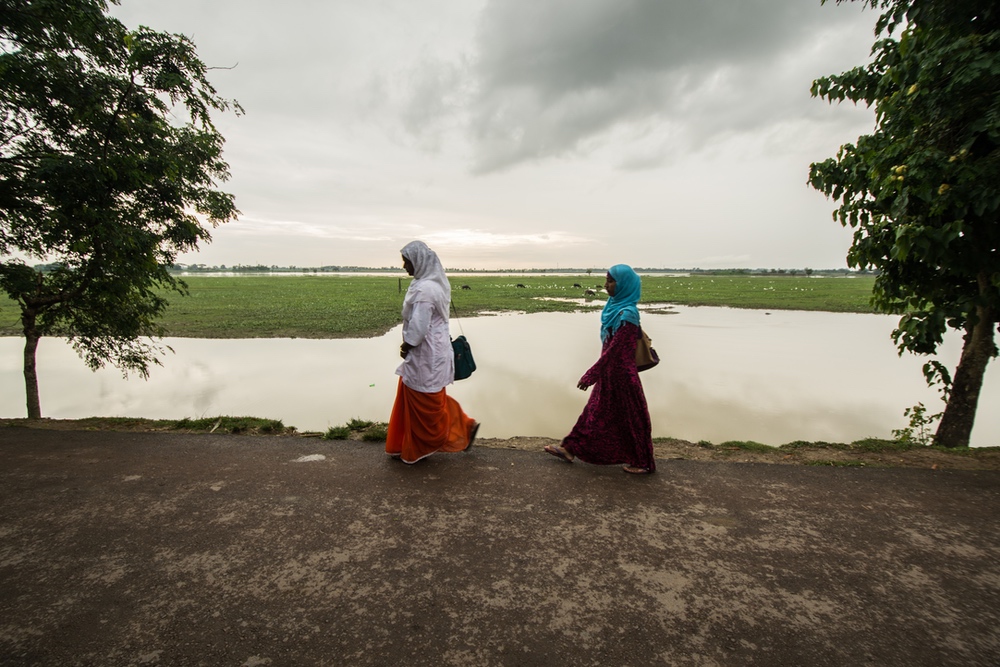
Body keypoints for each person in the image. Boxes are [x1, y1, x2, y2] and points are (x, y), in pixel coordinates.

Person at [544, 264, 655, 474]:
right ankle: (569, 448)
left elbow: (614, 352)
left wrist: (591, 375)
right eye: (606, 280)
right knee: (593, 414)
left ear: (624, 285)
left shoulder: (628, 315)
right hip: (609, 376)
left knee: (632, 420)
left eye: (611, 282)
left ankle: (643, 462)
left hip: (622, 378)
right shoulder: (614, 308)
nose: (606, 286)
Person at [386, 240, 479, 463]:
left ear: (417, 262)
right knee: (427, 395)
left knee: (425, 400)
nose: (404, 267)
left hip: (426, 353)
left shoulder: (425, 289)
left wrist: (406, 345)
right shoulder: (432, 284)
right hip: (434, 351)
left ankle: (445, 436)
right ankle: (463, 425)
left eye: (406, 262)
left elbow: (418, 328)